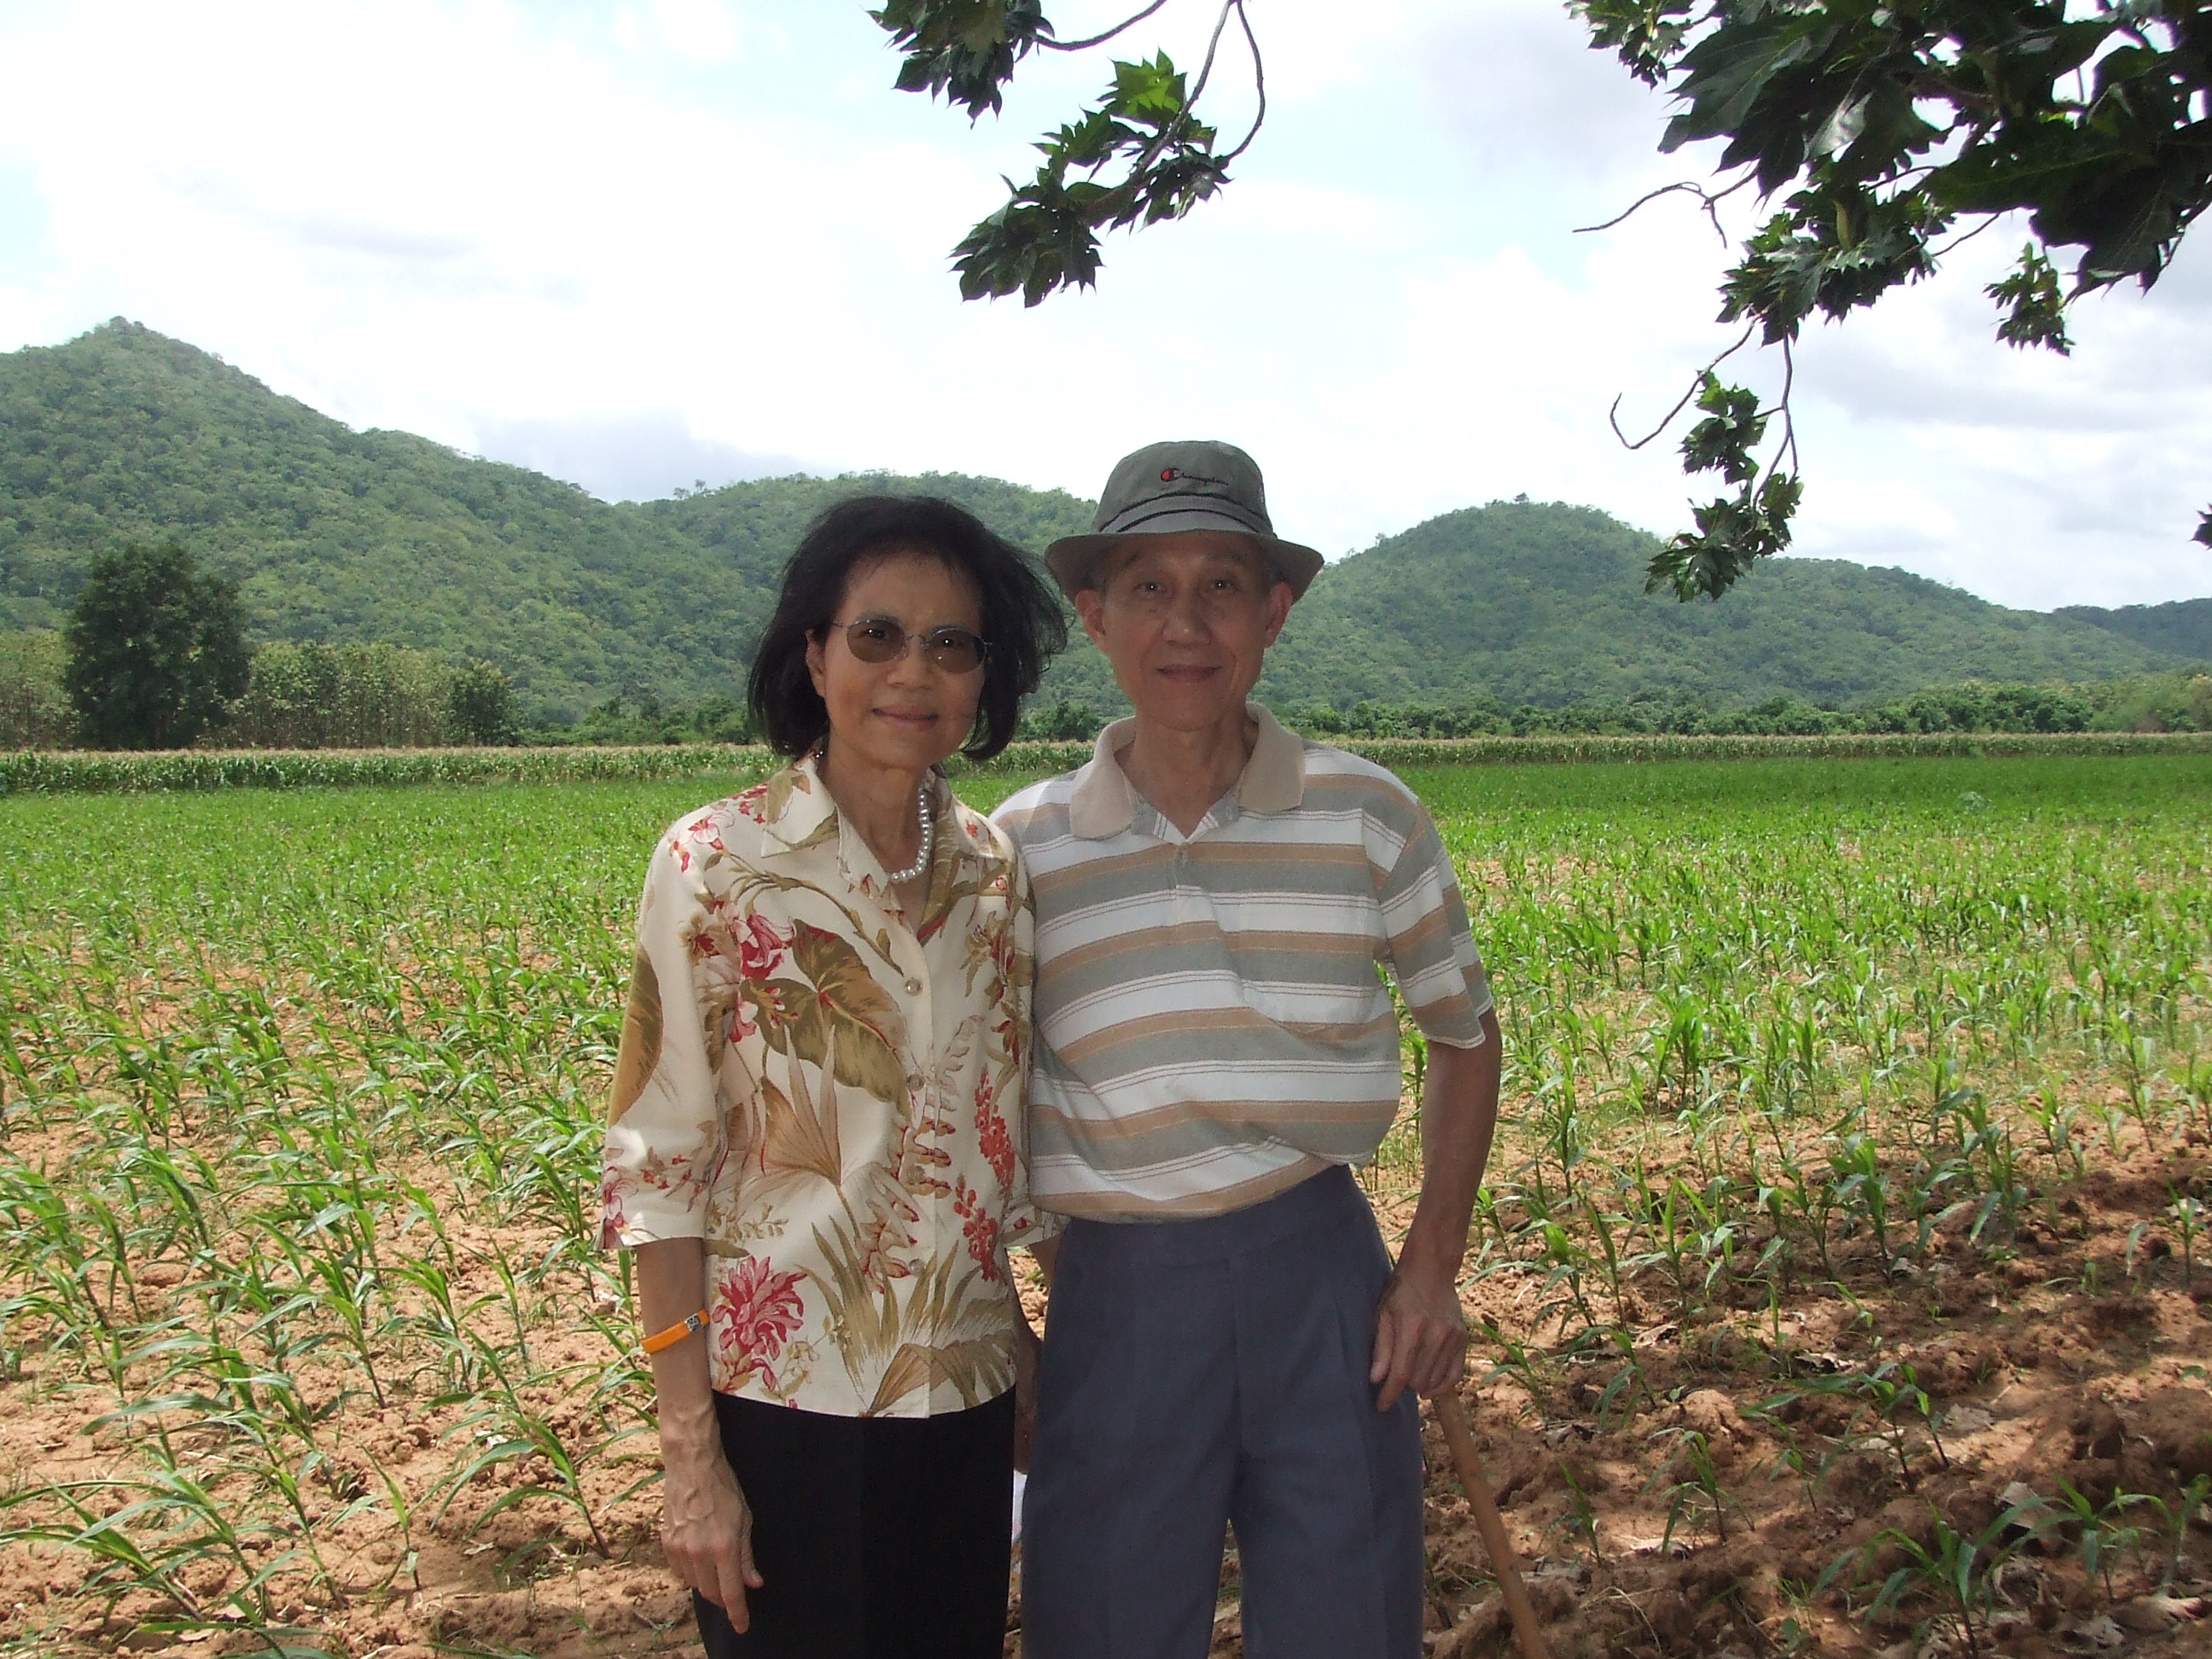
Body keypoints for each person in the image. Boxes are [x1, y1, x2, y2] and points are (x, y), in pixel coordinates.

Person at [994, 441, 1505, 1659]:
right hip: (1115, 1297)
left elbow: (1465, 1034)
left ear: (1273, 611)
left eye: (1221, 585)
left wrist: (1430, 1269)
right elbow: (977, 1098)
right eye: (1149, 588)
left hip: (1322, 1278)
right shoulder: (1021, 847)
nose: (1187, 623)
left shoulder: (1367, 813)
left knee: (1347, 1620)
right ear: (1097, 617)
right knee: (1102, 1625)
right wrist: (1015, 1324)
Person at [598, 494, 1067, 1659]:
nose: (914, 671)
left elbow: (985, 1151)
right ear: (814, 655)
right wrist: (690, 1456)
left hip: (961, 1401)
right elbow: (661, 1170)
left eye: (951, 643)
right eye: (878, 635)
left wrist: (1021, 1347)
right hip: (782, 1408)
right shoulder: (716, 864)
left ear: (985, 678)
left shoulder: (998, 875)